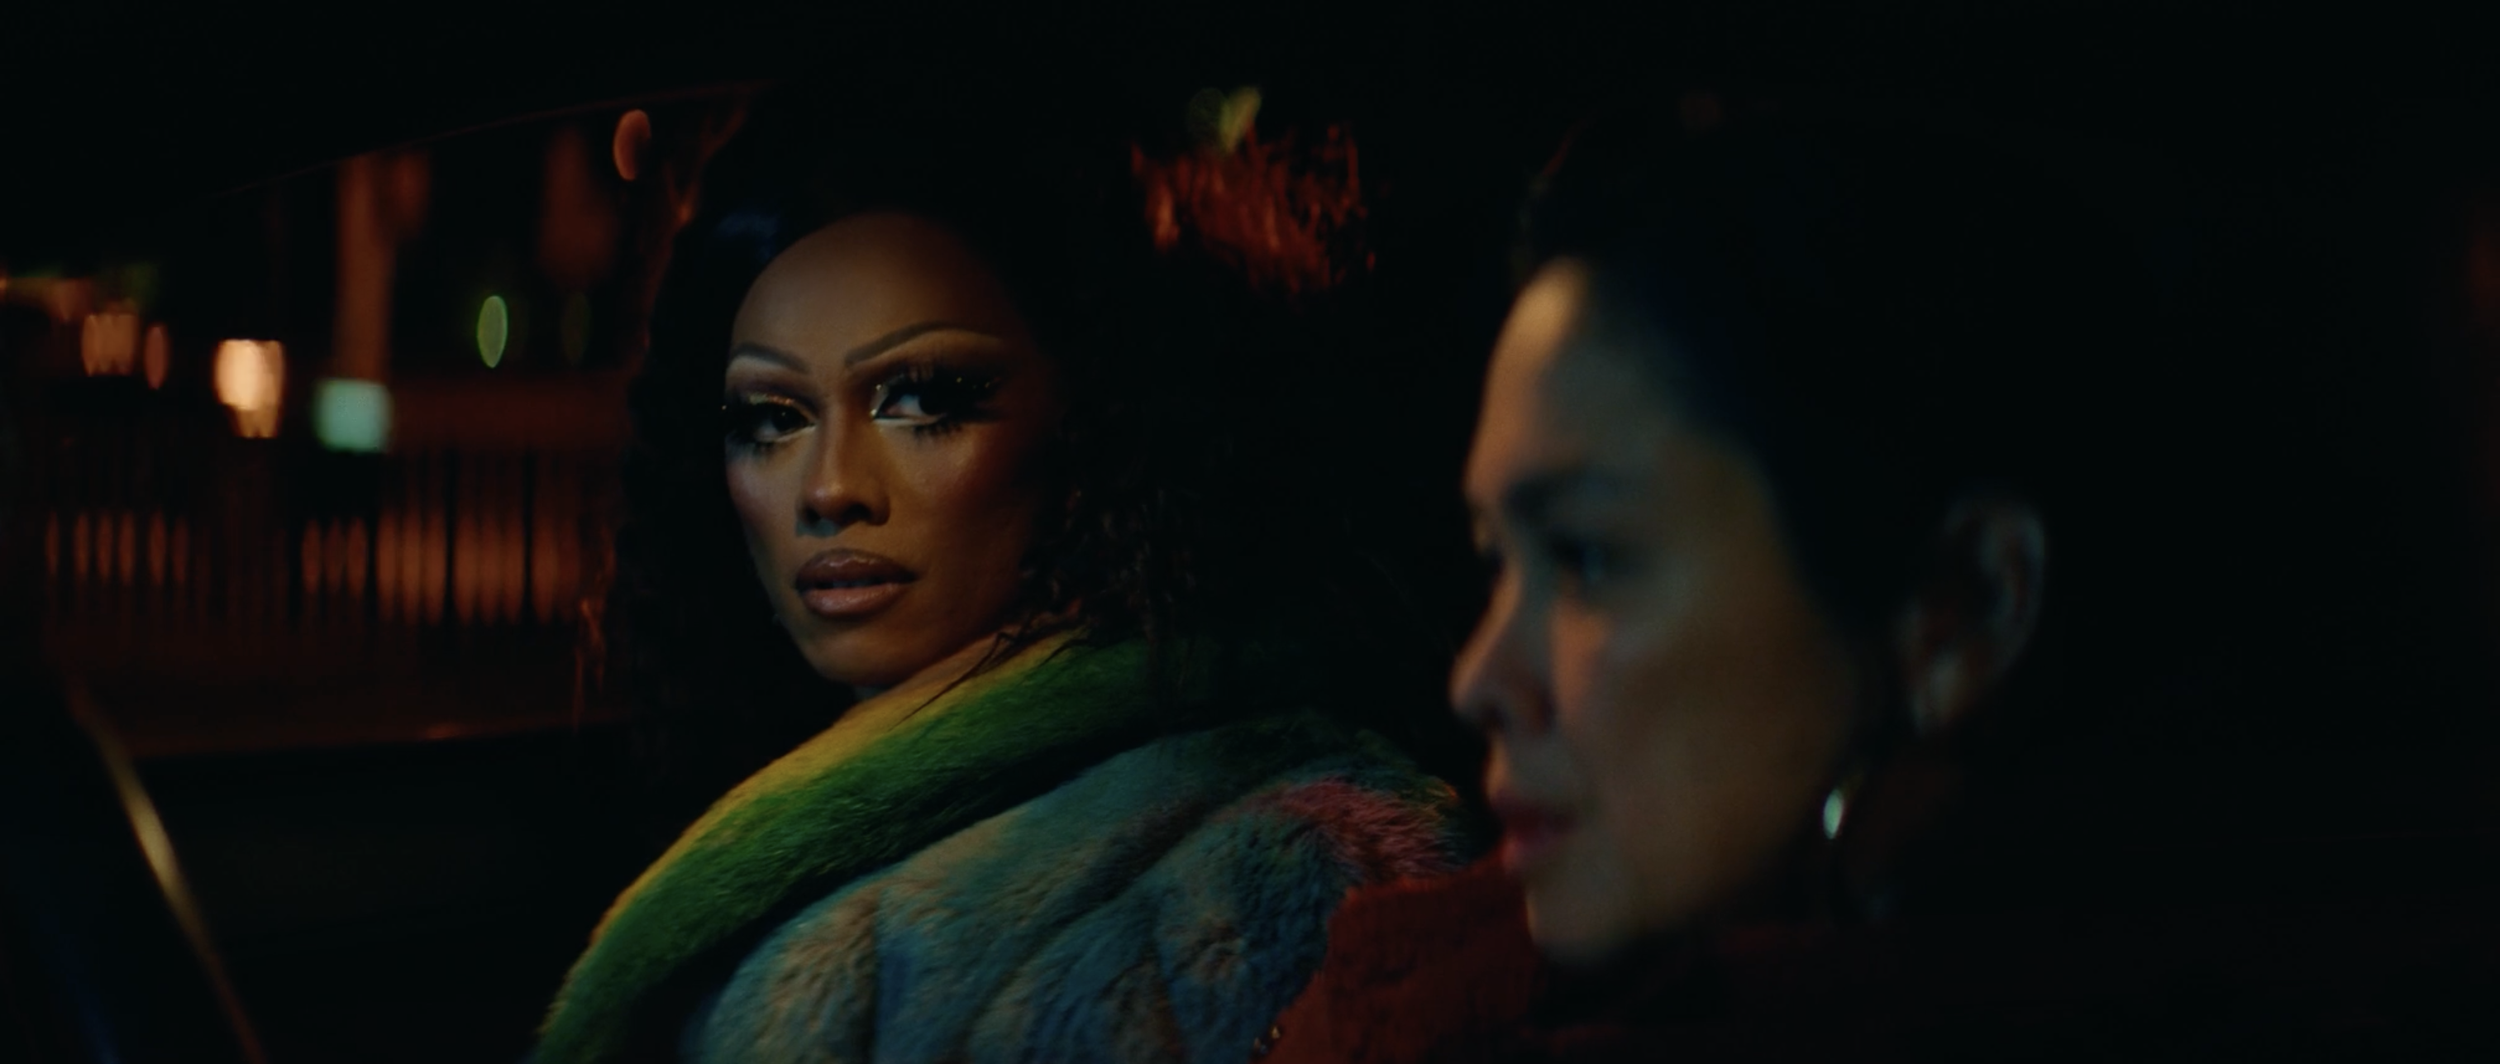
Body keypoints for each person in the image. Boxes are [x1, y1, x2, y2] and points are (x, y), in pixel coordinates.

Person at [1265, 91, 2500, 1062]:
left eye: (1587, 556)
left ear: (1961, 608)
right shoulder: (1409, 996)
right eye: (1496, 560)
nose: (1480, 677)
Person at [529, 88, 1476, 1064]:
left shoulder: (1272, 864)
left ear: (1097, 417)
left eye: (922, 400)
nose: (830, 487)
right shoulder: (789, 812)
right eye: (770, 419)